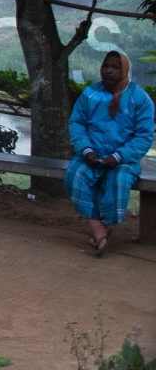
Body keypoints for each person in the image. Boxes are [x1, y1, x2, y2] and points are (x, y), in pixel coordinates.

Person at [65, 51, 154, 256]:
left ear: (124, 70)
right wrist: (87, 151)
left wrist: (117, 157)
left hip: (124, 159)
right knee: (75, 175)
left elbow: (144, 136)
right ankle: (97, 228)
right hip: (91, 155)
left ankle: (106, 226)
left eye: (115, 67)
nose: (109, 70)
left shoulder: (140, 99)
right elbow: (77, 124)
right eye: (106, 66)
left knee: (119, 179)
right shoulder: (90, 94)